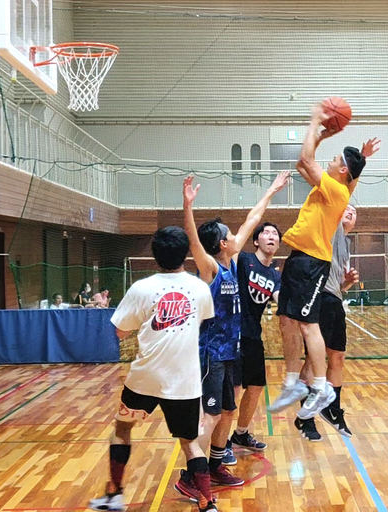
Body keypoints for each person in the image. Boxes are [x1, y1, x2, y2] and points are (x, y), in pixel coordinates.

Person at [87, 226, 217, 512]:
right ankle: (208, 504)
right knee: (191, 443)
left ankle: (114, 495)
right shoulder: (199, 288)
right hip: (185, 382)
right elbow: (204, 320)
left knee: (122, 429)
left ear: (154, 255)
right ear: (185, 254)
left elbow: (120, 332)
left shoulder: (141, 288)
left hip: (145, 379)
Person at [268, 102, 379, 421]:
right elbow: (304, 164)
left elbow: (304, 159)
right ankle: (293, 382)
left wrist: (316, 122)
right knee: (289, 319)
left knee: (307, 323)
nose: (329, 161)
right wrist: (321, 136)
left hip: (312, 262)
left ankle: (320, 387)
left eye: (335, 160)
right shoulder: (331, 185)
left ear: (342, 170)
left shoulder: (335, 189)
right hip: (298, 257)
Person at [179, 171, 289, 492]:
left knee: (228, 411)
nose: (236, 234)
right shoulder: (211, 268)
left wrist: (271, 191)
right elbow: (194, 241)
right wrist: (188, 207)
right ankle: (190, 476)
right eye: (230, 234)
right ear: (222, 243)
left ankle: (214, 466)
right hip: (212, 354)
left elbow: (251, 221)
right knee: (211, 416)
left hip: (231, 352)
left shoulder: (230, 262)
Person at [295, 205, 360, 441]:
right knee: (314, 359)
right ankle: (305, 417)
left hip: (334, 298)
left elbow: (338, 281)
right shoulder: (331, 230)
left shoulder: (346, 243)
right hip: (318, 297)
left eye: (355, 211)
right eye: (346, 208)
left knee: (337, 357)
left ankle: (333, 409)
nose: (351, 211)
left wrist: (346, 284)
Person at [229, 222, 283, 452]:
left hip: (253, 336)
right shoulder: (243, 260)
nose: (271, 236)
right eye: (266, 232)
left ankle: (240, 434)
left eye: (275, 234)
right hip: (232, 334)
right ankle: (217, 444)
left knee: (256, 386)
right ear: (255, 240)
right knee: (232, 390)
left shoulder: (274, 275)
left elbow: (282, 301)